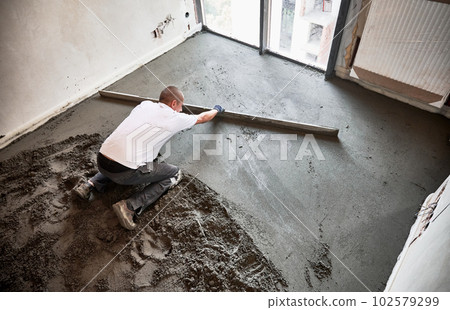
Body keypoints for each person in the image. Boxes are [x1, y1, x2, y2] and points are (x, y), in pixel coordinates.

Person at [73, 86, 224, 230]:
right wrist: (216, 109)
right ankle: (129, 207)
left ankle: (89, 185)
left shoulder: (145, 105)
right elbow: (203, 117)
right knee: (174, 173)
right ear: (173, 103)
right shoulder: (176, 117)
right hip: (123, 173)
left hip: (101, 160)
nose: (181, 110)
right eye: (180, 106)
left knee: (122, 155)